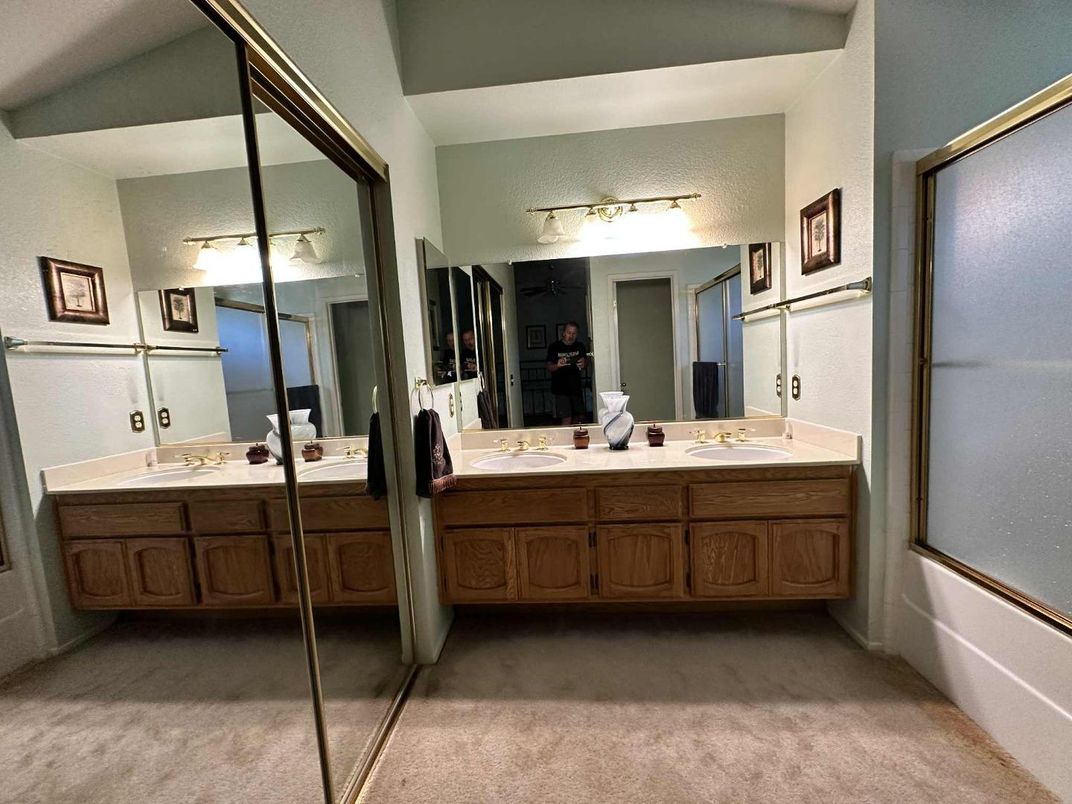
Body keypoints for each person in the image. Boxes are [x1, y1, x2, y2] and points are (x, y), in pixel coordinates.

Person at [545, 321, 588, 425]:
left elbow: (586, 363)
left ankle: (575, 434)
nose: (571, 336)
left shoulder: (580, 346)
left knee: (579, 417)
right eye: (569, 333)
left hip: (576, 387)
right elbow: (549, 367)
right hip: (561, 389)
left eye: (574, 333)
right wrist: (558, 365)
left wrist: (584, 363)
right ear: (563, 333)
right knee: (566, 418)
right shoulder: (554, 347)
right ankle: (565, 435)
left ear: (577, 334)